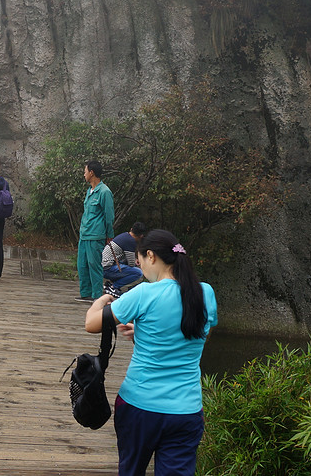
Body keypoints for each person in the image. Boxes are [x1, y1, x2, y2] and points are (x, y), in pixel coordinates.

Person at [85, 229, 218, 476]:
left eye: (140, 261)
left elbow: (92, 324)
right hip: (186, 411)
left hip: (140, 406)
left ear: (151, 256)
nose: (140, 267)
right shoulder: (204, 293)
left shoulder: (144, 293)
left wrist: (101, 300)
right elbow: (200, 337)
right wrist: (144, 336)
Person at [77, 160, 114, 303]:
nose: (84, 174)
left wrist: (109, 235)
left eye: (85, 171)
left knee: (94, 265)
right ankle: (85, 293)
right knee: (82, 265)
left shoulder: (105, 192)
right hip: (84, 234)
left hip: (96, 235)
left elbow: (109, 216)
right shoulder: (89, 191)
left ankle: (97, 296)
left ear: (91, 173)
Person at [103, 222, 145, 291]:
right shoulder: (131, 241)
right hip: (108, 268)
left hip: (104, 266)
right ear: (141, 236)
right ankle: (114, 286)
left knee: (127, 266)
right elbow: (131, 264)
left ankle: (111, 283)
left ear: (131, 229)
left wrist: (134, 260)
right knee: (138, 273)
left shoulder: (125, 235)